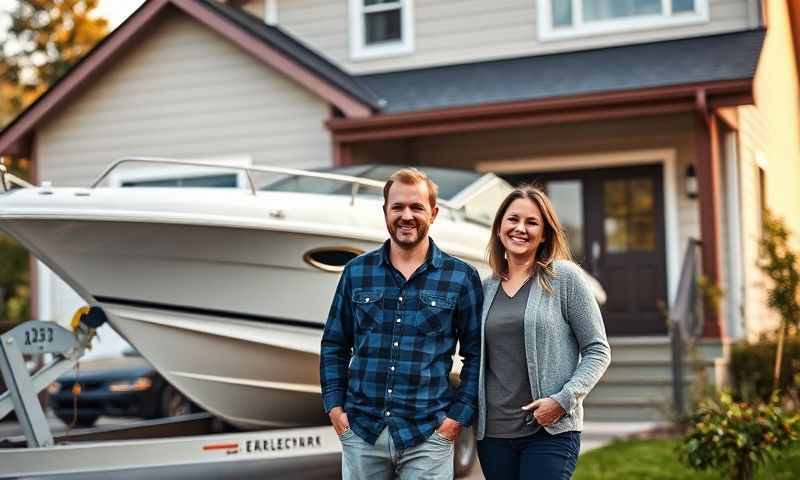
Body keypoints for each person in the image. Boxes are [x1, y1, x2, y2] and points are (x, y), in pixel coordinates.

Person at [320, 167, 483, 480]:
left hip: (428, 435)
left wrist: (455, 420)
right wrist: (335, 408)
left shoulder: (460, 277)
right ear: (385, 212)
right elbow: (334, 345)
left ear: (433, 213)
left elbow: (477, 355)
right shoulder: (356, 272)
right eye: (398, 207)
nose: (406, 215)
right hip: (363, 433)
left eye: (416, 207)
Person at [476, 184, 611, 480]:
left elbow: (598, 349)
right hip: (494, 435)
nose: (520, 228)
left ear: (545, 233)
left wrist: (563, 400)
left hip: (550, 432)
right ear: (499, 228)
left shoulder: (565, 278)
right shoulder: (484, 289)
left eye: (531, 222)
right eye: (513, 220)